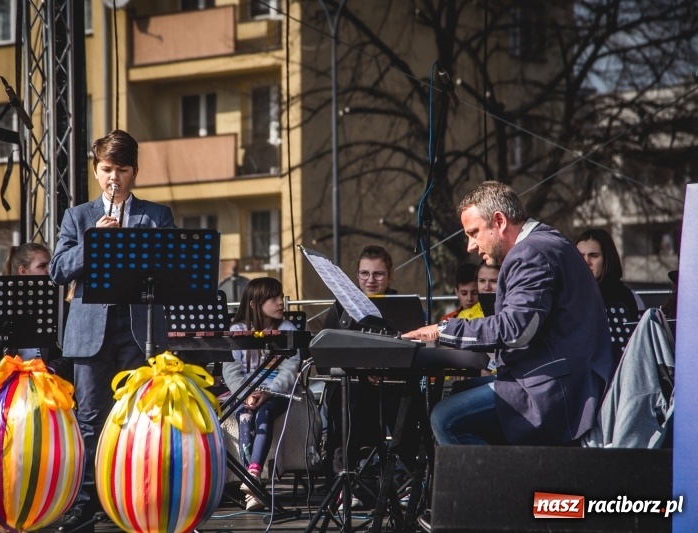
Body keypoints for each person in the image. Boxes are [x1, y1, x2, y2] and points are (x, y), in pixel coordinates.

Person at [404, 181, 613, 446]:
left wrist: (442, 329)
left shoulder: (530, 253)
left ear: (499, 221)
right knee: (456, 391)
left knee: (445, 417)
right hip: (567, 381)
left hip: (556, 393)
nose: (470, 245)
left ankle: (500, 487)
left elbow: (516, 330)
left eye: (474, 232)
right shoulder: (549, 240)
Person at [50, 130, 176, 533]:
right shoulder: (79, 216)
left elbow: (173, 269)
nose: (114, 177)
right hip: (91, 330)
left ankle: (132, 498)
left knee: (139, 417)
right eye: (107, 169)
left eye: (122, 170)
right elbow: (57, 269)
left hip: (139, 328)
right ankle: (87, 500)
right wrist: (94, 242)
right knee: (90, 418)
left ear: (135, 172)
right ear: (95, 170)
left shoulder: (156, 216)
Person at [321, 245, 421, 504]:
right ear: (356, 275)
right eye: (364, 273)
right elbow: (325, 352)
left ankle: (405, 482)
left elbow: (413, 347)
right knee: (351, 403)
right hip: (351, 382)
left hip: (392, 381)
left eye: (378, 274)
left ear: (390, 275)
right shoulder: (341, 306)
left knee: (405, 404)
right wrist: (361, 369)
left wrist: (384, 368)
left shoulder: (402, 306)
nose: (370, 280)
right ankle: (349, 481)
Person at [221, 277, 299, 511]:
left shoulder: (287, 329)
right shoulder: (236, 330)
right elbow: (231, 370)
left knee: (264, 415)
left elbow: (290, 369)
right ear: (255, 303)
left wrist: (267, 392)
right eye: (273, 298)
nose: (280, 302)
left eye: (280, 296)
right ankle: (253, 485)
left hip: (276, 394)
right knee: (245, 417)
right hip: (244, 393)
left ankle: (252, 474)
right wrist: (246, 394)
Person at [0, 244, 72, 382]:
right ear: (23, 271)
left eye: (50, 265)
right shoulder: (3, 308)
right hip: (9, 384)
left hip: (50, 382)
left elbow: (72, 352)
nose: (49, 271)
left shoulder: (62, 308)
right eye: (42, 266)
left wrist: (50, 370)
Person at [574, 228, 639, 313]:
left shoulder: (623, 295)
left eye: (593, 255)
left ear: (607, 259)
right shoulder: (568, 292)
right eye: (580, 256)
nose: (586, 262)